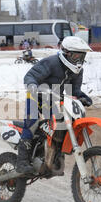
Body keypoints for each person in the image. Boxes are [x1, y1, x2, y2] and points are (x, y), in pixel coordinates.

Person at [16, 36, 93, 174]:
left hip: (52, 99)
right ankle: (22, 162)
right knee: (32, 122)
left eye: (82, 57)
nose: (79, 61)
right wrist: (33, 86)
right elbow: (30, 76)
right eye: (76, 56)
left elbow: (74, 91)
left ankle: (52, 159)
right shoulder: (52, 62)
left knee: (60, 125)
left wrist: (83, 97)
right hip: (35, 94)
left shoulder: (78, 71)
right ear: (66, 53)